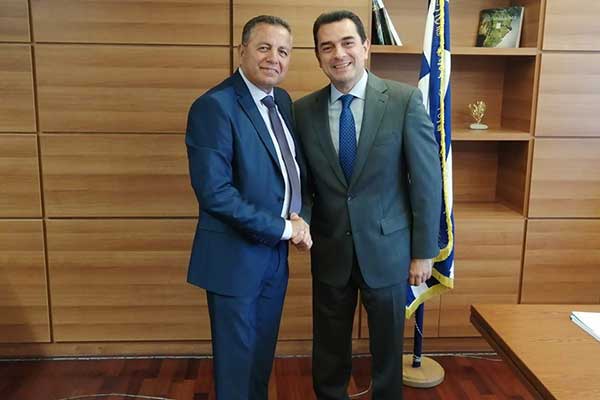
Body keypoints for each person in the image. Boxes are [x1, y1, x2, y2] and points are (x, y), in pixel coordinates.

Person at [294, 10, 442, 400]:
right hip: (330, 249)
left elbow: (426, 183)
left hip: (389, 252)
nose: (338, 54)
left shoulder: (403, 101)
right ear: (318, 56)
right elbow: (303, 184)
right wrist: (301, 220)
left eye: (347, 43)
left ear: (365, 46)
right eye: (327, 47)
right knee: (329, 352)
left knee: (388, 353)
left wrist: (424, 252)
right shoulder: (302, 111)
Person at [185, 15, 312, 400]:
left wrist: (299, 218)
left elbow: (290, 172)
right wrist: (285, 228)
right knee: (236, 365)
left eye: (283, 51)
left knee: (260, 359)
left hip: (275, 256)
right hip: (234, 258)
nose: (274, 58)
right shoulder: (214, 106)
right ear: (241, 51)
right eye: (264, 47)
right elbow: (215, 194)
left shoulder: (282, 101)